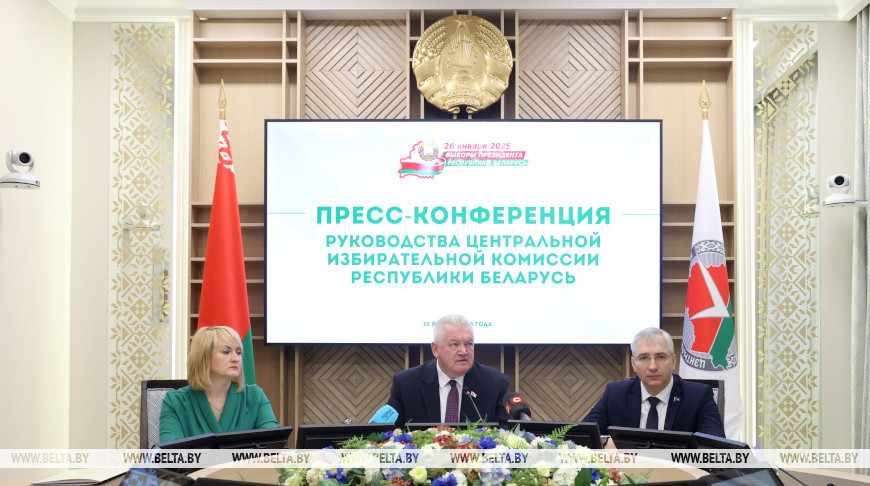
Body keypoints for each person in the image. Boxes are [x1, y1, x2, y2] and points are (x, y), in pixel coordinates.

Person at [583, 328, 725, 444]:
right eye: (644, 358)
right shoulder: (615, 394)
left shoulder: (698, 396)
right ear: (634, 364)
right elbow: (582, 436)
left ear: (673, 361)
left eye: (661, 357)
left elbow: (715, 448)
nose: (652, 366)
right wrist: (605, 442)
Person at [159, 326, 279, 442]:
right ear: (203, 357)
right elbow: (172, 453)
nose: (236, 358)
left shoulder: (255, 396)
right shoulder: (175, 401)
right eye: (226, 352)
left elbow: (274, 444)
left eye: (238, 352)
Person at [387, 314, 511, 426]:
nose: (463, 351)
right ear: (435, 349)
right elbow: (387, 432)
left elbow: (507, 431)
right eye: (454, 344)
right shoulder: (406, 384)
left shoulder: (494, 384)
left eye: (469, 344)